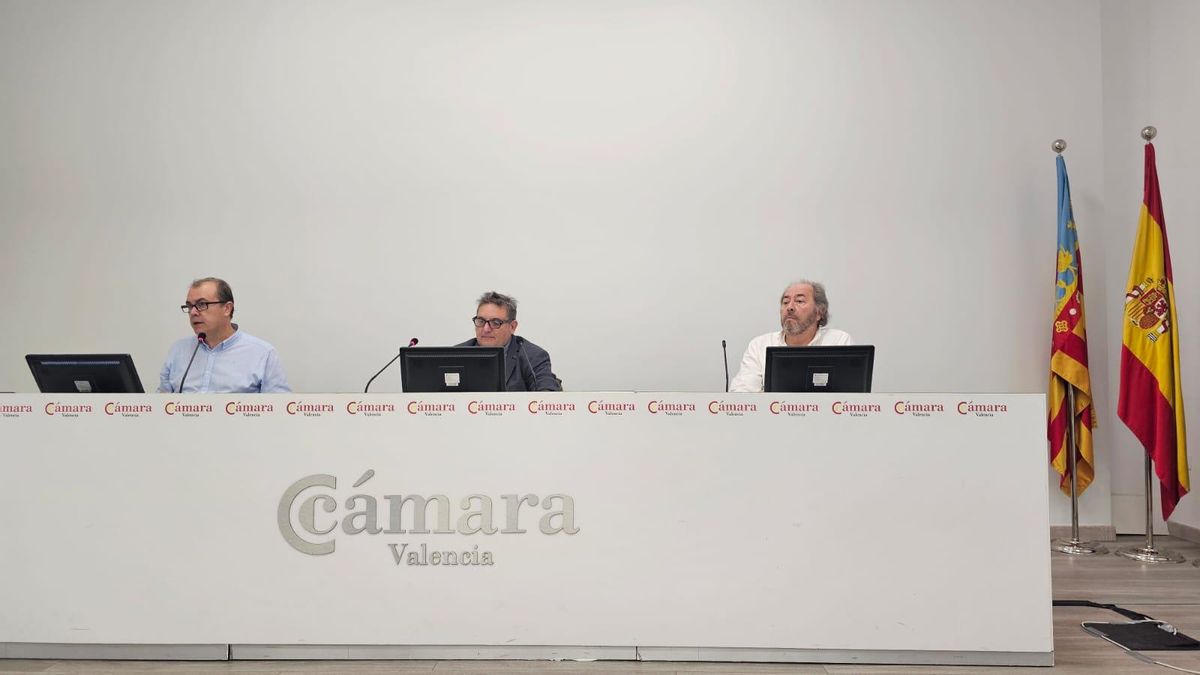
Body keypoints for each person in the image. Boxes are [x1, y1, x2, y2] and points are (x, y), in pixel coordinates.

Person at [158, 277, 291, 393]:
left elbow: (280, 410)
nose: (193, 312)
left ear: (227, 308)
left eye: (201, 304)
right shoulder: (178, 350)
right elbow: (160, 404)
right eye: (189, 306)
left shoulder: (263, 353)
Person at [728, 280, 853, 393]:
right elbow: (741, 394)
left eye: (799, 301)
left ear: (819, 312)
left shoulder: (838, 341)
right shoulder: (760, 345)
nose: (790, 307)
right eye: (785, 302)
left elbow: (850, 393)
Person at [457, 291, 561, 391]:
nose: (486, 329)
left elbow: (547, 393)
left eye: (495, 322)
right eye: (481, 321)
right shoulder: (457, 355)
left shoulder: (532, 356)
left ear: (512, 326)